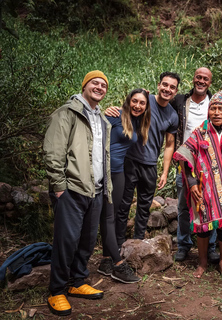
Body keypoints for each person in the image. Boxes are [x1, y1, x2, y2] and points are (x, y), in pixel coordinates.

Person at [44, 70, 112, 316]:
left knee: (86, 241)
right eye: (95, 83)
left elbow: (102, 155)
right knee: (66, 241)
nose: (99, 87)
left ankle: (78, 281)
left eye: (103, 85)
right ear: (85, 85)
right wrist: (59, 187)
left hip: (95, 190)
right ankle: (57, 290)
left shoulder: (102, 119)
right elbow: (53, 153)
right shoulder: (67, 113)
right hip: (72, 189)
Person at [173, 92, 222, 279]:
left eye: (220, 108)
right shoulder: (199, 132)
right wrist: (192, 184)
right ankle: (202, 262)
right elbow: (184, 155)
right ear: (208, 111)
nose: (217, 112)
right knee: (203, 226)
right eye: (213, 108)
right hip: (204, 189)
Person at [106, 72, 180, 247]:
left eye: (172, 87)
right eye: (165, 84)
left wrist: (165, 171)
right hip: (130, 160)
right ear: (158, 85)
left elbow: (169, 145)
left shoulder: (173, 116)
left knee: (144, 206)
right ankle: (117, 243)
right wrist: (111, 109)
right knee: (124, 204)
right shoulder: (145, 100)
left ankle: (137, 243)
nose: (167, 89)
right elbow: (129, 107)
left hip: (150, 164)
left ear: (176, 92)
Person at [97, 89, 151, 284]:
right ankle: (118, 265)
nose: (137, 105)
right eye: (134, 101)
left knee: (112, 214)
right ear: (128, 101)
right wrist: (105, 110)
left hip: (118, 172)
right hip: (104, 172)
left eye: (142, 103)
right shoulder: (115, 115)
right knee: (108, 217)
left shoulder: (138, 121)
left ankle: (105, 261)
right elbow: (95, 133)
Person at [170, 67, 219, 263]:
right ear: (193, 79)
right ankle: (183, 245)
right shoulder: (180, 101)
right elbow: (160, 103)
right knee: (183, 206)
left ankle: (212, 247)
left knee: (211, 205)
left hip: (209, 164)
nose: (201, 81)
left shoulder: (215, 102)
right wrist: (147, 96)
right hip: (185, 163)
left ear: (210, 82)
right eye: (198, 77)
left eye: (205, 79)